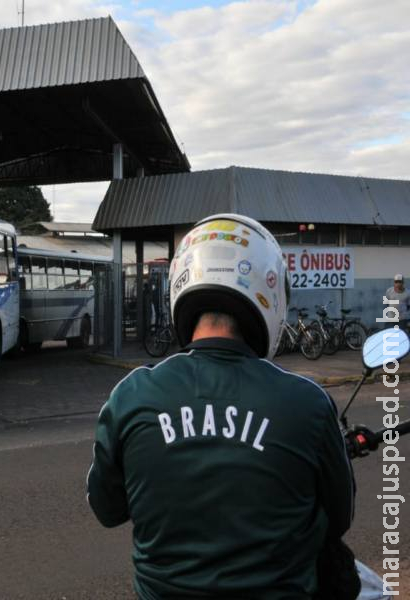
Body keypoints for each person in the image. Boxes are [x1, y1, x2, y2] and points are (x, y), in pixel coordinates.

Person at [86, 214, 358, 599]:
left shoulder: (131, 394)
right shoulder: (307, 401)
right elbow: (340, 517)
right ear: (271, 291)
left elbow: (107, 509)